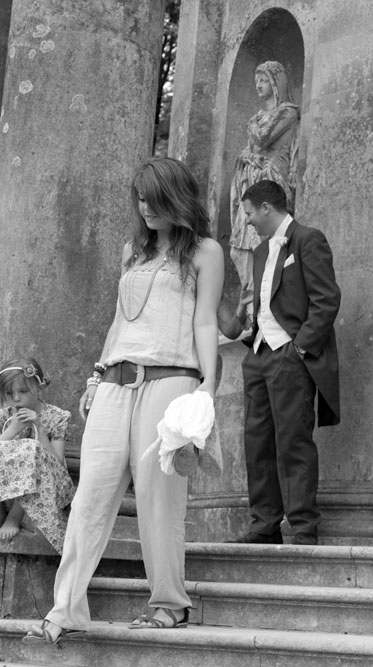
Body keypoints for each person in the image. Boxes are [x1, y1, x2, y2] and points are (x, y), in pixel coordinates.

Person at [25, 157, 224, 645]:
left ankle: (169, 604)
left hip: (172, 379)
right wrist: (96, 374)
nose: (145, 207)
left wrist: (208, 387)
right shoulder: (130, 253)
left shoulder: (205, 252)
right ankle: (66, 608)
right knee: (91, 491)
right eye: (139, 198)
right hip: (115, 381)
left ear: (176, 197)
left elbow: (204, 322)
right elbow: (121, 322)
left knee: (159, 495)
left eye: (154, 198)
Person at [227, 179, 340, 546]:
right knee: (257, 442)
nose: (247, 222)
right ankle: (265, 523)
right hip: (258, 356)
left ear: (265, 208)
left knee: (293, 441)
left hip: (290, 357)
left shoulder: (309, 239)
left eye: (248, 213)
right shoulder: (260, 253)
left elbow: (326, 300)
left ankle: (304, 527)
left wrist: (300, 349)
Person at [230, 61, 300, 292]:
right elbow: (248, 150)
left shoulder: (287, 112)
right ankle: (249, 297)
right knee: (239, 247)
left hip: (272, 181)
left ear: (275, 82)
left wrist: (252, 126)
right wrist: (248, 158)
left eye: (263, 80)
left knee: (264, 241)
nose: (258, 85)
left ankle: (264, 295)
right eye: (256, 81)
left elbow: (262, 138)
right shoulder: (259, 116)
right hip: (250, 183)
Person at [0, 358, 74, 553]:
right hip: (8, 488)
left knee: (30, 450)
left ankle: (14, 517)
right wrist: (12, 430)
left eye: (23, 391)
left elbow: (57, 462)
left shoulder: (57, 417)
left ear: (39, 387)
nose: (16, 398)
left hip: (47, 486)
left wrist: (40, 429)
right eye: (9, 393)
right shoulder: (4, 416)